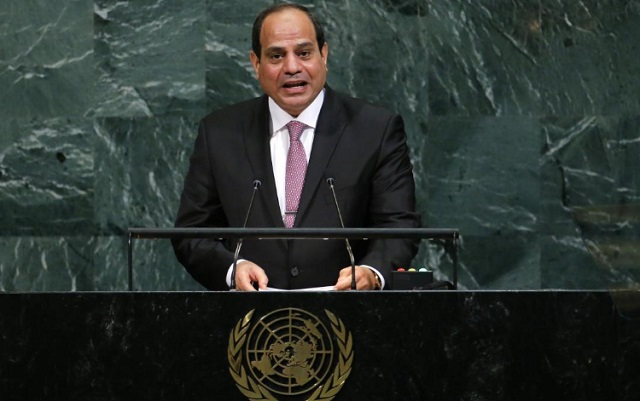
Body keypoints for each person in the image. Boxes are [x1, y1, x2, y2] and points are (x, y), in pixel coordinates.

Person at [172, 3, 420, 291]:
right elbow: (192, 233)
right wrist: (232, 268)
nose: (292, 67)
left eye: (304, 53)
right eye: (276, 56)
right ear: (256, 63)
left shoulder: (375, 130)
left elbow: (398, 226)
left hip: (350, 317)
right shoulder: (219, 133)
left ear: (323, 55)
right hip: (249, 321)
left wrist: (371, 271)